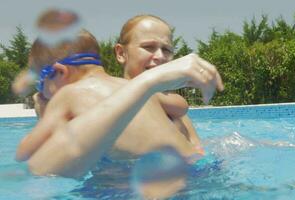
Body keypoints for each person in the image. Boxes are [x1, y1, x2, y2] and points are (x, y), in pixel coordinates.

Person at [15, 28, 223, 178]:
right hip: (198, 167)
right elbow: (180, 107)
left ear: (59, 72)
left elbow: (28, 154)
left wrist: (42, 112)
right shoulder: (130, 87)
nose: (41, 92)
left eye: (40, 83)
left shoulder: (67, 94)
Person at [114, 15, 203, 151]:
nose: (160, 56)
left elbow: (199, 153)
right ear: (121, 53)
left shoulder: (174, 111)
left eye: (166, 50)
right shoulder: (109, 102)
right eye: (148, 47)